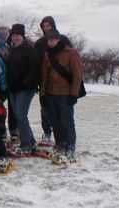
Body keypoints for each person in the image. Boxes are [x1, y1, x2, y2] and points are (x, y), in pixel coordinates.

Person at [39, 29, 82, 162]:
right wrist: (43, 94)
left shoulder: (71, 53)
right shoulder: (47, 55)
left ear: (58, 39)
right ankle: (60, 144)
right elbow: (44, 76)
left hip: (65, 94)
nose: (50, 42)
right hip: (51, 93)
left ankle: (70, 146)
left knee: (67, 121)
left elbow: (77, 75)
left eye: (53, 40)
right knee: (55, 121)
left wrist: (74, 94)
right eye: (48, 40)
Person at [34, 16, 72, 144]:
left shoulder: (63, 39)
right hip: (44, 81)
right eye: (44, 26)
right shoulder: (39, 43)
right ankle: (47, 132)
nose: (46, 28)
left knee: (62, 112)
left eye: (48, 25)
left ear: (53, 25)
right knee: (45, 109)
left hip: (62, 83)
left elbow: (71, 59)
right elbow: (36, 62)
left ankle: (66, 138)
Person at [6, 23, 38, 154]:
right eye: (13, 35)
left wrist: (26, 82)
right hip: (13, 88)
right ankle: (30, 141)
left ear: (23, 36)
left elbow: (34, 68)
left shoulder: (29, 49)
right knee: (19, 115)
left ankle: (26, 145)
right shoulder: (12, 49)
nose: (15, 38)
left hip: (25, 88)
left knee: (20, 115)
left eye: (18, 35)